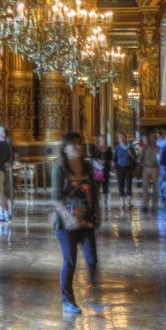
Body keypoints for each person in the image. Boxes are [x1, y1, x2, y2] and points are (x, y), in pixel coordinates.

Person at [52, 130, 100, 314]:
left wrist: (98, 211)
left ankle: (94, 293)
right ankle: (68, 300)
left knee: (92, 260)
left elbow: (93, 191)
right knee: (70, 261)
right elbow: (57, 198)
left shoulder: (87, 166)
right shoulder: (60, 169)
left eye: (80, 144)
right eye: (74, 144)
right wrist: (68, 217)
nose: (78, 147)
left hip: (86, 220)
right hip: (66, 224)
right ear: (65, 148)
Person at [139, 127, 160, 210]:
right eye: (151, 137)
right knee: (145, 187)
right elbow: (141, 157)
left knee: (156, 187)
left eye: (154, 137)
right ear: (149, 138)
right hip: (146, 168)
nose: (153, 138)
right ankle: (145, 204)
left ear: (156, 138)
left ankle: (155, 204)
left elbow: (161, 159)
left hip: (155, 168)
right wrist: (139, 165)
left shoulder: (159, 148)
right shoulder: (145, 147)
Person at [113, 133, 135, 200]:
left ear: (125, 138)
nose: (121, 138)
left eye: (123, 137)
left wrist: (131, 154)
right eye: (120, 137)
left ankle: (129, 200)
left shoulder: (130, 147)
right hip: (120, 167)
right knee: (120, 183)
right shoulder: (117, 148)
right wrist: (114, 169)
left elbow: (134, 157)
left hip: (128, 167)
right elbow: (114, 159)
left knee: (129, 184)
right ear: (118, 139)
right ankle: (122, 201)